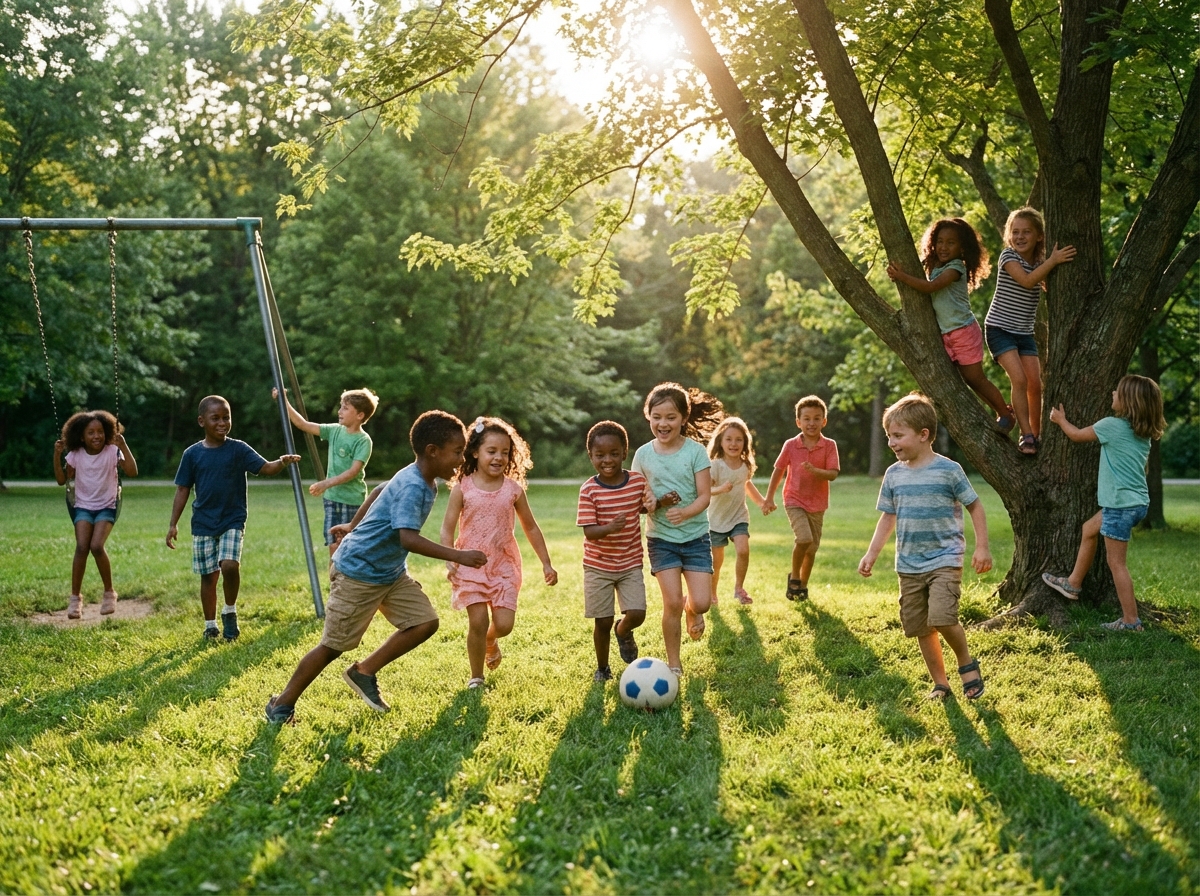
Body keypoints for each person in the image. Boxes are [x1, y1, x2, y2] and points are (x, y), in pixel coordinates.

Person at [266, 411, 486, 723]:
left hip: (388, 573)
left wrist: (352, 525)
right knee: (333, 646)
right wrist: (459, 556)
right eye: (457, 452)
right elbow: (407, 538)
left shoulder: (421, 478)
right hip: (358, 573)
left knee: (423, 622)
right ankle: (281, 704)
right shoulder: (413, 485)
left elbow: (381, 489)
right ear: (432, 451)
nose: (461, 458)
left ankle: (364, 671)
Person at [858, 393, 992, 700]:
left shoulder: (949, 470)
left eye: (898, 435)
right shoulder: (893, 475)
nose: (891, 442)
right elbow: (886, 519)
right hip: (908, 564)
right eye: (889, 435)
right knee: (920, 626)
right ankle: (940, 684)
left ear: (923, 435)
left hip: (945, 558)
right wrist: (871, 554)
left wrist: (982, 547)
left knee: (943, 617)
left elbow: (975, 506)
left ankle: (966, 662)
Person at [167, 396, 300, 641]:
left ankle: (229, 611)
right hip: (203, 523)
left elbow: (265, 468)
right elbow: (183, 489)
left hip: (232, 519)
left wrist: (281, 462)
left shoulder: (238, 449)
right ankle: (210, 625)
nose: (222, 423)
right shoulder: (192, 454)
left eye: (226, 417)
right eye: (215, 418)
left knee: (229, 564)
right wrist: (173, 524)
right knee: (208, 576)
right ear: (201, 421)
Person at [440, 417, 558, 689]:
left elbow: (531, 527)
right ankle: (476, 676)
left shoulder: (512, 490)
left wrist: (546, 563)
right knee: (478, 621)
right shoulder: (463, 489)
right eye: (491, 451)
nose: (499, 458)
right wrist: (450, 558)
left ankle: (491, 639)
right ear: (475, 452)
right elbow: (447, 529)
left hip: (504, 565)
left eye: (505, 452)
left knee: (504, 625)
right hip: (470, 564)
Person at [1041, 375, 1165, 631]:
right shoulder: (1143, 433)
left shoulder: (1111, 426)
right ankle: (1073, 583)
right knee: (1089, 529)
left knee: (1116, 564)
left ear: (1128, 401)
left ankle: (1131, 621)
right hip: (1135, 503)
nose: (1112, 393)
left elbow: (1076, 436)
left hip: (1120, 506)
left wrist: (1060, 420)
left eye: (1117, 391)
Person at [631, 382, 723, 676]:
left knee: (702, 602)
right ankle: (674, 664)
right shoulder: (643, 455)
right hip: (661, 539)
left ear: (684, 418)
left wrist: (686, 511)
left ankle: (693, 611)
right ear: (648, 416)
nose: (663, 423)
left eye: (671, 417)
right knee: (671, 601)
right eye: (657, 416)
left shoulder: (696, 453)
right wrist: (650, 503)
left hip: (695, 537)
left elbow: (705, 496)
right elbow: (637, 499)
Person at [887, 218, 1012, 431]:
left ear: (962, 247)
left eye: (951, 243)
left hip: (963, 331)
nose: (944, 247)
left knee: (976, 378)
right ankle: (1001, 410)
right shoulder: (936, 265)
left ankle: (1005, 414)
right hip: (947, 333)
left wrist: (901, 276)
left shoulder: (956, 268)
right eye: (940, 241)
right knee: (969, 380)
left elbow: (931, 287)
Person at [984, 207, 1076, 455]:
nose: (1020, 236)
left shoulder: (1039, 262)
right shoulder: (1008, 257)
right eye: (1015, 232)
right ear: (1008, 235)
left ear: (1039, 236)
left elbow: (1040, 280)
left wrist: (1050, 264)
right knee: (1020, 380)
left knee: (1035, 384)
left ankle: (1037, 433)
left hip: (1024, 333)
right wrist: (1053, 261)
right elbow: (1026, 281)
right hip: (1000, 328)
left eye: (1027, 232)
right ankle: (1026, 436)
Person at [577, 421, 650, 682]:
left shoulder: (637, 481)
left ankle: (624, 631)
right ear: (591, 456)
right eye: (600, 455)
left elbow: (643, 506)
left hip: (630, 562)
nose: (607, 460)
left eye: (614, 454)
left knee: (637, 613)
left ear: (624, 453)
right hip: (598, 566)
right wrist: (610, 527)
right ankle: (603, 668)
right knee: (603, 621)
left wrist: (662, 501)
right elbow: (589, 531)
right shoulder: (589, 489)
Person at [53, 410, 138, 618]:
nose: (96, 436)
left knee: (96, 545)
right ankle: (75, 599)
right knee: (82, 547)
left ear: (107, 432)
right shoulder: (75, 455)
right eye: (90, 432)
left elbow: (132, 471)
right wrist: (57, 454)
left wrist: (123, 446)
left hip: (107, 505)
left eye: (100, 431)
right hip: (82, 505)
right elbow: (61, 480)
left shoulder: (112, 451)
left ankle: (109, 592)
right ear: (82, 436)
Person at [273, 386, 378, 556]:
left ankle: (349, 581)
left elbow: (353, 472)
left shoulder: (363, 441)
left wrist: (326, 483)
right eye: (340, 406)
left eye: (345, 408)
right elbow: (302, 424)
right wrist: (283, 401)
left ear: (360, 415)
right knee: (333, 545)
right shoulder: (334, 430)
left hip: (351, 500)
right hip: (331, 499)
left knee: (347, 545)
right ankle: (334, 582)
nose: (339, 411)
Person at [764, 396, 840, 601]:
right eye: (806, 419)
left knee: (812, 548)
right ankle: (795, 576)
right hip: (794, 499)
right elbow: (778, 470)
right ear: (798, 422)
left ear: (824, 421)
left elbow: (833, 474)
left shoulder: (829, 445)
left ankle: (802, 586)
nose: (811, 423)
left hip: (818, 503)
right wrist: (769, 498)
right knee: (804, 539)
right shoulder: (790, 445)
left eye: (817, 418)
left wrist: (815, 471)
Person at [706, 416, 767, 605]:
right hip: (716, 520)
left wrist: (762, 502)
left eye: (738, 439)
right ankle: (712, 593)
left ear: (745, 442)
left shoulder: (745, 465)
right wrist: (720, 489)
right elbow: (705, 491)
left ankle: (739, 588)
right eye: (729, 439)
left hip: (739, 516)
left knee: (743, 549)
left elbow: (747, 485)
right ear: (721, 442)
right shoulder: (715, 465)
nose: (734, 443)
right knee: (716, 561)